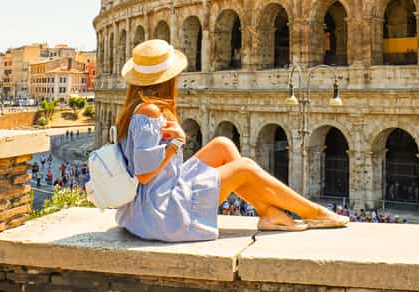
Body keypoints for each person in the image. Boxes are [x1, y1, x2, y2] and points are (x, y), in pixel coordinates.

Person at [114, 39, 348, 243]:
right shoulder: (149, 111)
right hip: (159, 211)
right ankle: (314, 212)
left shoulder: (140, 108)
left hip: (151, 201)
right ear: (167, 78)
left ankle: (268, 212)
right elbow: (144, 174)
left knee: (222, 145)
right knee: (244, 168)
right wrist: (176, 142)